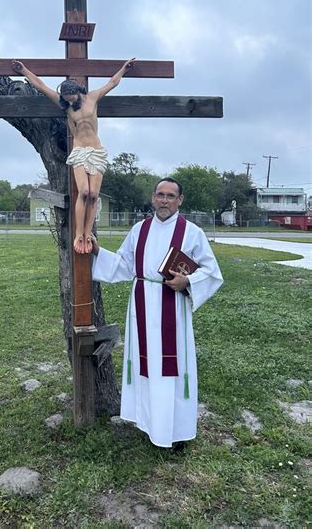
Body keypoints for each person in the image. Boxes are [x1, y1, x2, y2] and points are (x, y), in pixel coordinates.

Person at [90, 178, 223, 449]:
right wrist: (96, 251)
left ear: (180, 201)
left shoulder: (192, 232)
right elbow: (123, 265)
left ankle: (175, 432)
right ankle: (149, 424)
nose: (165, 200)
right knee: (145, 365)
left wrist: (188, 282)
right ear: (153, 198)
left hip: (172, 307)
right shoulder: (139, 230)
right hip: (142, 307)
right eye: (160, 195)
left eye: (171, 196)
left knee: (171, 369)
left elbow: (212, 272)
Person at [11, 58, 135, 254]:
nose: (68, 101)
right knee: (84, 192)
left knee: (94, 195)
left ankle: (87, 233)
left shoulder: (93, 97)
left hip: (96, 150)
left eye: (71, 97)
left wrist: (124, 69)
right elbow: (42, 86)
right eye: (65, 98)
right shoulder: (66, 106)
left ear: (78, 91)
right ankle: (78, 233)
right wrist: (24, 71)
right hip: (79, 151)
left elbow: (112, 83)